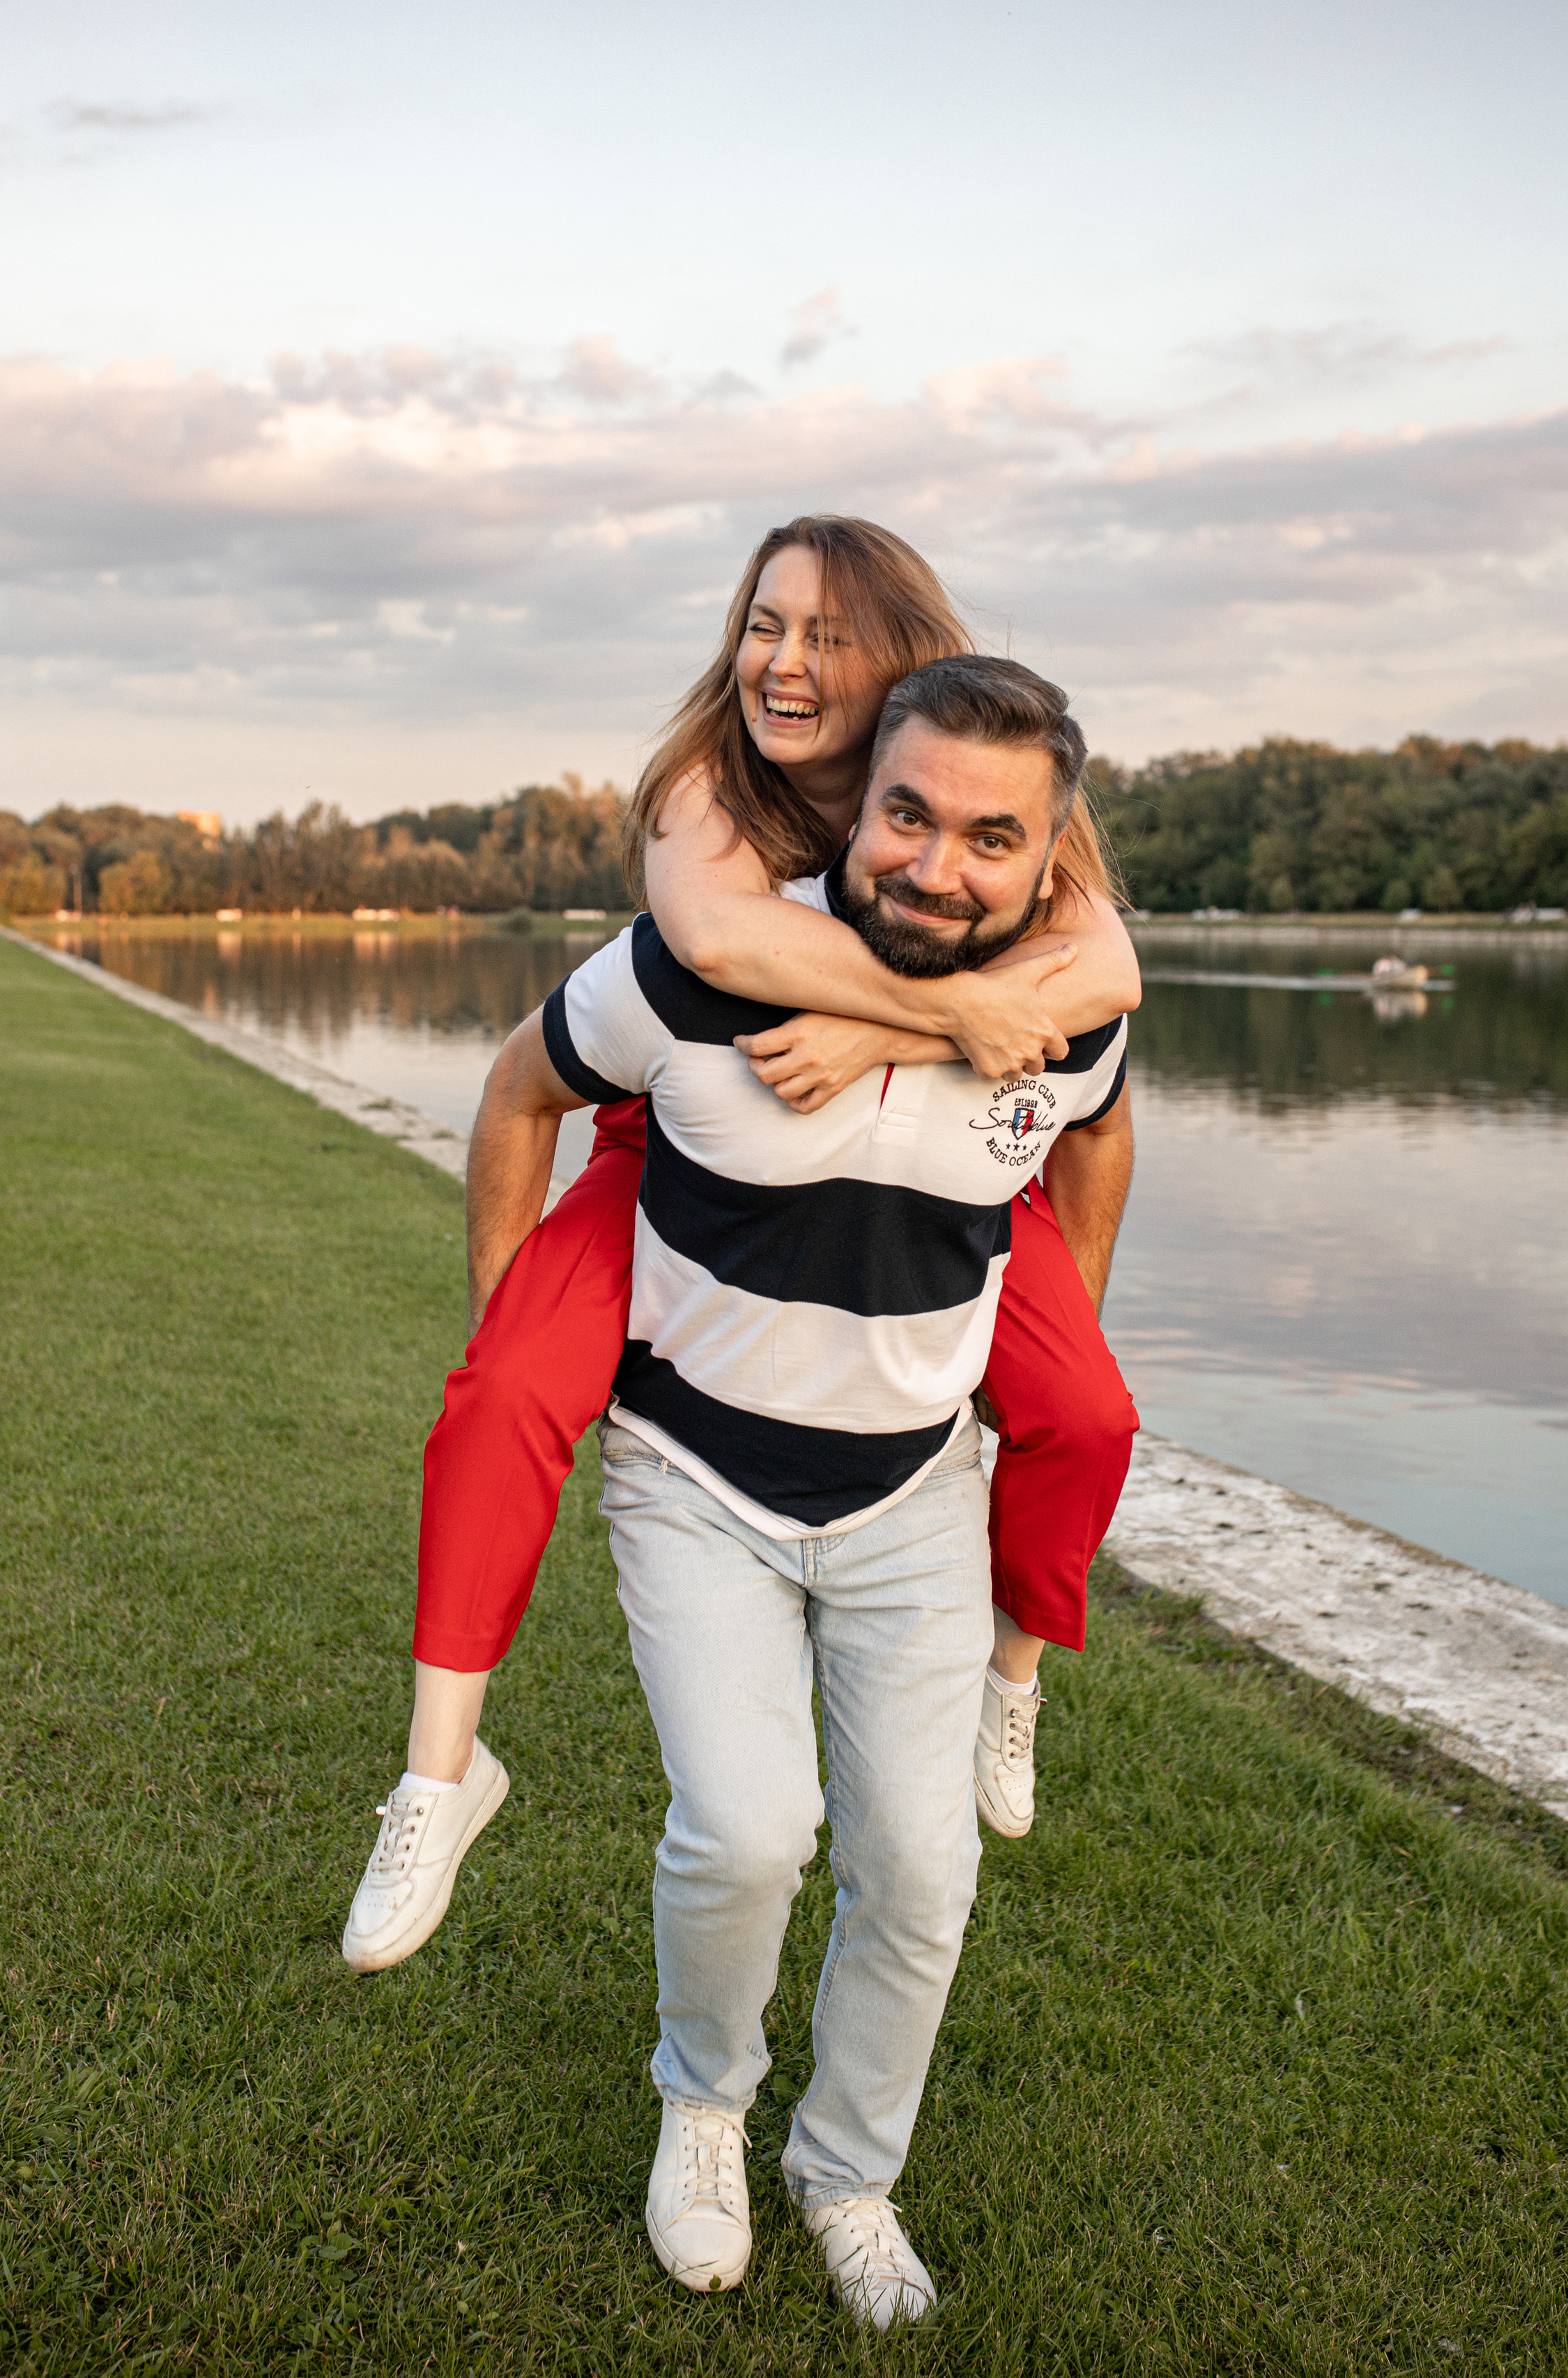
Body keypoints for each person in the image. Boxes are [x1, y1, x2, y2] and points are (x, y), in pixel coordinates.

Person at [341, 519, 1140, 1983]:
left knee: (1086, 1410)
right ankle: (439, 1777)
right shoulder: (705, 788)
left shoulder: (984, 774)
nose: (779, 660)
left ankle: (1011, 1679)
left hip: (938, 1180)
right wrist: (942, 1010)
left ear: (900, 659)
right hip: (684, 1139)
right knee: (508, 1387)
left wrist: (884, 1031)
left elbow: (1103, 975)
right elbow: (714, 948)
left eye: (822, 635)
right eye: (761, 624)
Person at [461, 655, 1135, 2323]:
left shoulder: (1072, 1009)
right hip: (694, 1473)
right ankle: (702, 2104)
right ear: (859, 805)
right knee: (750, 1830)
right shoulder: (698, 972)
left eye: (991, 837)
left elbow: (1100, 1129)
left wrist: (1052, 1340)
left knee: (917, 1871)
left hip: (917, 1498)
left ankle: (847, 2174)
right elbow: (515, 1090)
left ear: (1048, 863)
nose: (933, 862)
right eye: (903, 812)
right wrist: (514, 1344)